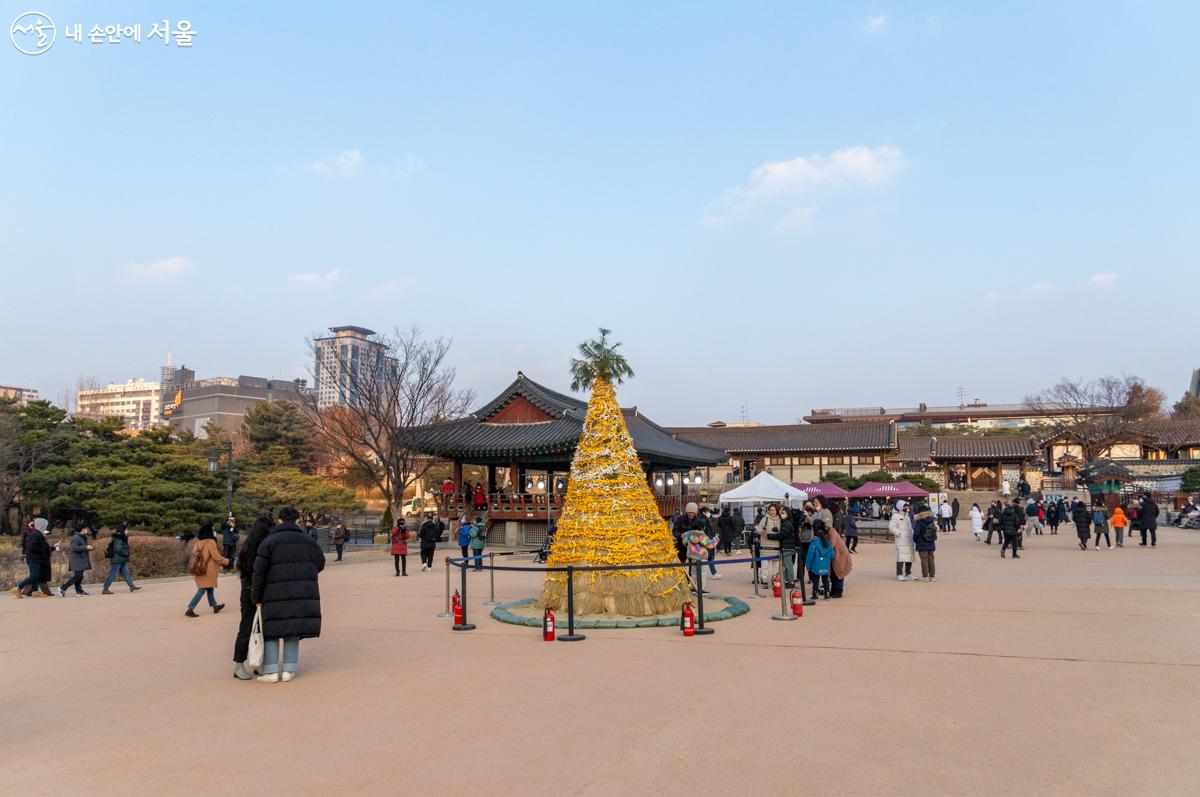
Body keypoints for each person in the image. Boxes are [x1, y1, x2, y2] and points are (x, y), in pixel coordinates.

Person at [251, 507, 326, 683]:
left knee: (272, 631)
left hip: (273, 592)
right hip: (301, 592)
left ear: (279, 520)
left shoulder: (269, 541)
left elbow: (259, 572)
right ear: (297, 521)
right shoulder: (308, 541)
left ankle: (270, 671)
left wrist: (256, 597)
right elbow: (320, 563)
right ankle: (288, 670)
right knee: (292, 630)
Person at [232, 516, 274, 681]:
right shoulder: (258, 548)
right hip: (253, 591)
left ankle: (255, 662)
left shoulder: (249, 546)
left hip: (251, 590)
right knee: (248, 627)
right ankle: (238, 664)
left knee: (259, 628)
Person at [185, 521, 228, 617]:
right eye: (212, 528)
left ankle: (215, 606)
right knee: (202, 589)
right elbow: (216, 556)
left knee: (209, 588)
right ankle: (190, 608)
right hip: (207, 570)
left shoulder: (197, 543)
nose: (214, 530)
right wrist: (226, 561)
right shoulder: (211, 542)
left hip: (198, 569)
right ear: (209, 531)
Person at [13, 522, 53, 598]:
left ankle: (35, 592)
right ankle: (18, 588)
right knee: (35, 575)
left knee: (37, 576)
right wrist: (42, 550)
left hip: (36, 558)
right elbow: (32, 546)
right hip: (33, 558)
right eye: (44, 527)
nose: (45, 529)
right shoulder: (35, 534)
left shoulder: (37, 534)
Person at [101, 523, 141, 594]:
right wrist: (126, 553)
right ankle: (105, 588)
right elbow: (118, 549)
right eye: (126, 529)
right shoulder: (119, 538)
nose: (127, 530)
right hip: (117, 559)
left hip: (121, 558)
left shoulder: (120, 537)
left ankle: (131, 585)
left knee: (126, 572)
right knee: (112, 573)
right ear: (123, 529)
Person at [679, 519, 718, 592]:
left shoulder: (688, 534)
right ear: (703, 527)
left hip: (693, 557)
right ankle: (701, 589)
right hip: (701, 556)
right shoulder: (702, 534)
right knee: (702, 573)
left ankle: (693, 587)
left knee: (694, 574)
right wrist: (716, 538)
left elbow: (684, 542)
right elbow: (709, 544)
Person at [57, 525, 95, 597]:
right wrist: (86, 547)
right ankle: (62, 588)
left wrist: (90, 548)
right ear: (82, 529)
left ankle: (79, 591)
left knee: (79, 576)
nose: (86, 530)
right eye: (85, 528)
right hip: (77, 560)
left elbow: (81, 547)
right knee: (77, 576)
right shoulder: (76, 538)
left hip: (81, 559)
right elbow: (74, 548)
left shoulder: (82, 537)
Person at [805, 524, 834, 599]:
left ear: (816, 536)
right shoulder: (828, 543)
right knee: (825, 580)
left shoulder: (814, 543)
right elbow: (832, 555)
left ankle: (815, 594)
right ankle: (827, 594)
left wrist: (808, 566)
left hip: (816, 565)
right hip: (825, 565)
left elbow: (810, 555)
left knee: (816, 581)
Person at [912, 504, 938, 582]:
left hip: (921, 542)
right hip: (931, 542)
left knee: (924, 560)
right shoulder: (931, 520)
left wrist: (916, 540)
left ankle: (925, 576)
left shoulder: (919, 521)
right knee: (931, 559)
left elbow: (916, 533)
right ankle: (932, 576)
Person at [890, 500, 915, 581]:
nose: (906, 508)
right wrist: (899, 533)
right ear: (900, 507)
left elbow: (910, 527)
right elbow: (892, 527)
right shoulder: (895, 516)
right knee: (900, 557)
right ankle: (899, 574)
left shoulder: (907, 517)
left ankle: (908, 573)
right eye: (905, 506)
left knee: (909, 557)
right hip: (901, 540)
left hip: (909, 540)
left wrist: (912, 533)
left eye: (907, 506)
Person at [828, 524, 853, 598]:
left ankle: (839, 591)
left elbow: (831, 544)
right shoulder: (829, 532)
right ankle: (834, 589)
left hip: (841, 556)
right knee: (833, 573)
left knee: (839, 573)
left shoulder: (832, 532)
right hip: (835, 556)